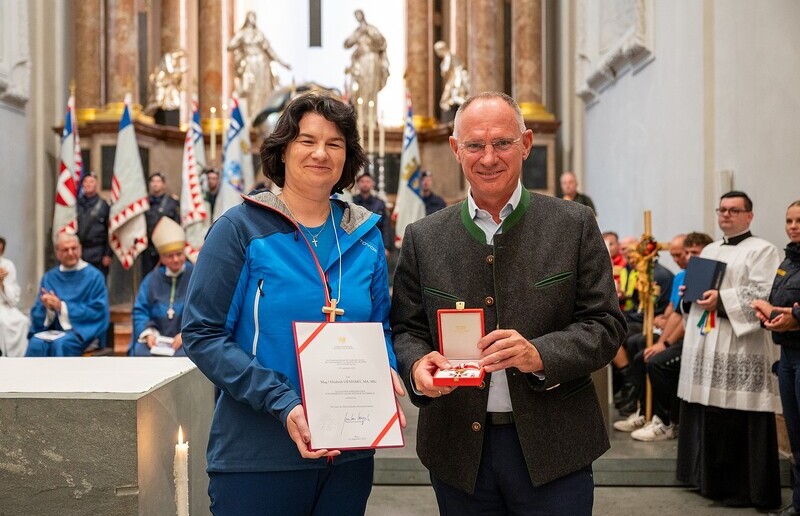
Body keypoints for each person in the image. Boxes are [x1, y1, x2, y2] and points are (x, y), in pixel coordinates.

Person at [391, 92, 626, 515]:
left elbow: (606, 325)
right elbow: (407, 329)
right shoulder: (424, 237)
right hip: (458, 450)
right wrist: (416, 366)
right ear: (455, 149)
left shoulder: (573, 224)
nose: (488, 157)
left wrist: (540, 354)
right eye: (475, 145)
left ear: (526, 143)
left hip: (556, 447)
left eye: (502, 142)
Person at [182, 93, 406, 515]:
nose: (321, 153)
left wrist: (386, 368)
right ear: (283, 149)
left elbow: (380, 328)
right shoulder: (239, 229)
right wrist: (281, 402)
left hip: (350, 453)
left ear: (347, 158)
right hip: (259, 454)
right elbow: (201, 333)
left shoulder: (367, 237)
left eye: (335, 144)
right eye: (307, 141)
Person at [676, 191, 782, 510]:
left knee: (741, 416)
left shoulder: (763, 250)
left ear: (749, 215)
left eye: (734, 210)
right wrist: (689, 293)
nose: (726, 215)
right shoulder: (709, 249)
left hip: (741, 347)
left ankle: (748, 490)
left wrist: (721, 300)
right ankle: (714, 484)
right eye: (722, 209)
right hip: (708, 344)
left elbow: (764, 293)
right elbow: (698, 295)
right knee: (714, 414)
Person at [752, 200, 800, 516]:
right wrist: (768, 313)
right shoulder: (788, 261)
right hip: (787, 354)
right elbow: (777, 300)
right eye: (789, 220)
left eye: (799, 220)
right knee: (797, 439)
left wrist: (796, 315)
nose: (793, 226)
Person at [26, 233, 109, 357]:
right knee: (36, 343)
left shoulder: (94, 277)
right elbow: (37, 312)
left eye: (74, 248)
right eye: (65, 250)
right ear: (57, 253)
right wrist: (49, 309)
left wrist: (62, 307)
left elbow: (98, 311)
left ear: (80, 248)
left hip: (82, 332)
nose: (70, 253)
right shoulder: (50, 278)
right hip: (54, 331)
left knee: (61, 344)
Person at [130, 218, 193, 357]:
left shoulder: (196, 276)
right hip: (157, 339)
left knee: (187, 356)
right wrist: (149, 334)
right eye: (170, 256)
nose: (175, 259)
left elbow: (203, 310)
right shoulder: (151, 280)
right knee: (140, 352)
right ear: (162, 258)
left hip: (186, 340)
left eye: (179, 254)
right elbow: (140, 310)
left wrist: (186, 334)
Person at [228, 11, 291, 121]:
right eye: (250, 17)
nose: (252, 20)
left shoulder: (259, 34)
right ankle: (250, 119)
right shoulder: (242, 34)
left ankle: (260, 119)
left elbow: (270, 51)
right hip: (250, 65)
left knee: (262, 93)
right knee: (249, 92)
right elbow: (230, 46)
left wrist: (283, 63)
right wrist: (242, 49)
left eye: (254, 17)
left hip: (262, 65)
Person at [344, 9, 389, 107]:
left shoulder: (371, 29)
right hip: (361, 61)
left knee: (372, 89)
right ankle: (360, 120)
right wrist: (358, 34)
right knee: (360, 90)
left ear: (363, 15)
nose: (358, 18)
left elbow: (381, 42)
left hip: (372, 60)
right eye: (356, 16)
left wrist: (368, 31)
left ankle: (371, 120)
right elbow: (347, 44)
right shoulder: (358, 31)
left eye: (359, 15)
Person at [142, 172, 180, 274]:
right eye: (153, 181)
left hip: (166, 248)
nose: (155, 184)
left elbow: (176, 225)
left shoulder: (171, 203)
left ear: (163, 184)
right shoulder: (143, 202)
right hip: (147, 249)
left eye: (158, 181)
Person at [76, 173, 112, 277]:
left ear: (96, 184)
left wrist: (108, 254)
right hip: (80, 252)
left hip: (99, 253)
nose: (88, 184)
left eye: (91, 182)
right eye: (86, 182)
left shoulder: (103, 206)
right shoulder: (76, 205)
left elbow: (109, 231)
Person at [0, 237, 29, 357]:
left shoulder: (7, 265)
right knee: (1, 323)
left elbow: (13, 299)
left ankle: (18, 360)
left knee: (23, 321)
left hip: (6, 306)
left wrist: (1, 283)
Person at [352, 172, 391, 252]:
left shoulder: (379, 203)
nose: (365, 184)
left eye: (368, 181)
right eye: (362, 181)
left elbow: (385, 225)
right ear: (358, 184)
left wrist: (386, 246)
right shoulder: (352, 202)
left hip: (375, 242)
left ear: (372, 183)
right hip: (356, 242)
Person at [433, 41, 470, 113]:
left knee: (453, 95)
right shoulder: (447, 57)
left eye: (437, 51)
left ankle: (464, 105)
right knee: (448, 95)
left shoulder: (449, 56)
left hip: (457, 78)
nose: (437, 53)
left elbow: (446, 70)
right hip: (453, 77)